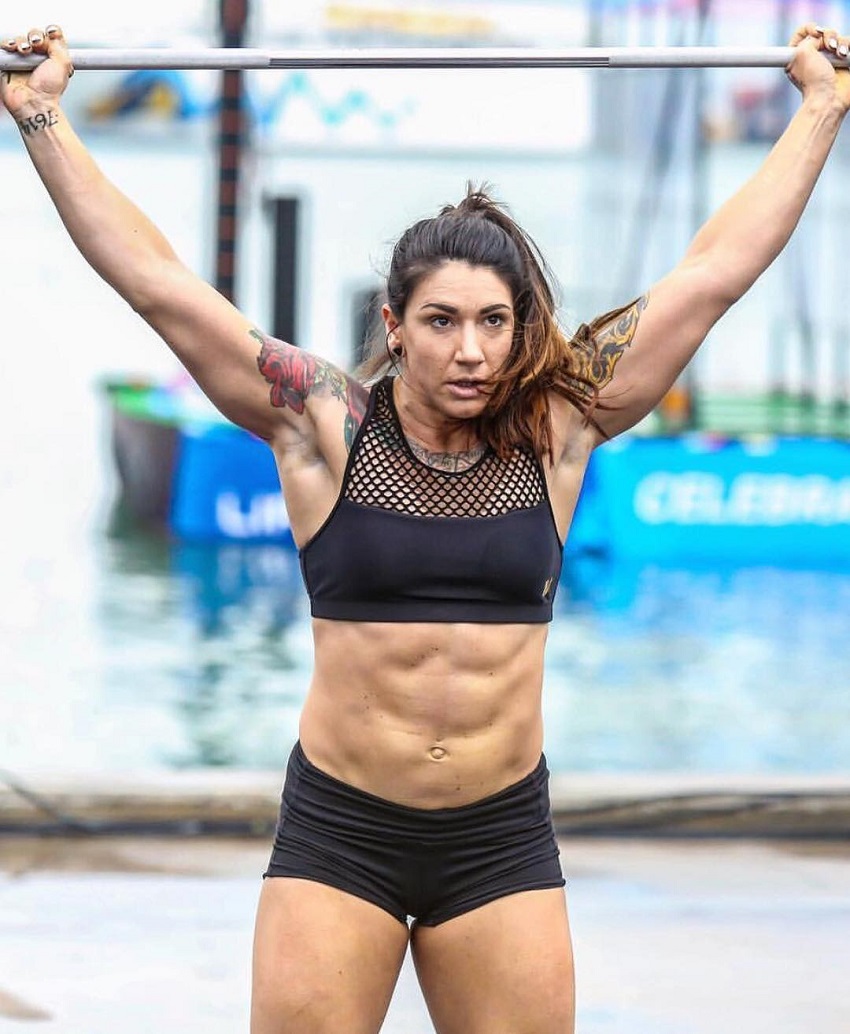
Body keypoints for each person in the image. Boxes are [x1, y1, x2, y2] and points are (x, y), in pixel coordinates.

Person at [2, 20, 848, 1034]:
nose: (471, 348)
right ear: (394, 323)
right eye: (442, 320)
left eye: (494, 320)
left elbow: (711, 276)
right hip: (342, 830)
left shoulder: (557, 423)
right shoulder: (318, 421)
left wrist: (820, 107)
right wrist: (41, 114)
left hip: (498, 839)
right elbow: (159, 284)